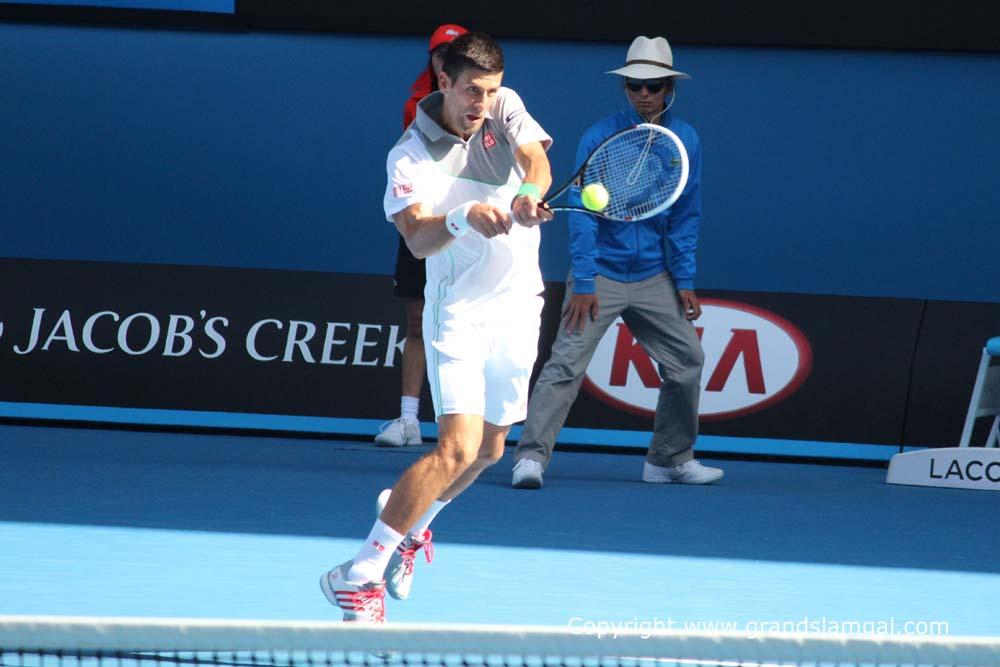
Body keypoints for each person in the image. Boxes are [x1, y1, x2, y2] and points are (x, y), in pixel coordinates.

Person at [321, 32, 553, 622]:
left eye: (490, 91)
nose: (482, 102)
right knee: (455, 449)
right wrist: (463, 215)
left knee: (492, 449)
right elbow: (420, 239)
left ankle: (413, 525)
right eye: (471, 90)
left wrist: (527, 193)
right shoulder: (408, 155)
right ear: (443, 81)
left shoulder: (504, 106)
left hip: (520, 304)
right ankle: (359, 575)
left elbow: (538, 161)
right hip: (459, 314)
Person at [511, 35, 723, 490]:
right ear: (625, 88)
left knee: (688, 360)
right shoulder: (599, 136)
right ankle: (529, 459)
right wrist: (583, 280)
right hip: (600, 274)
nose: (645, 95)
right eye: (635, 86)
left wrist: (683, 280)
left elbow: (686, 214)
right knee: (565, 366)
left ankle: (668, 459)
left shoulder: (685, 140)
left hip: (653, 276)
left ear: (670, 88)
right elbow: (585, 219)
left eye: (655, 85)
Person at [376, 23, 468, 448]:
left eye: (453, 53)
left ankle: (467, 426)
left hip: (470, 227)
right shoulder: (417, 107)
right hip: (423, 225)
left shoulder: (490, 108)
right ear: (432, 61)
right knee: (417, 322)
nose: (443, 59)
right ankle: (409, 420)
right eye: (438, 53)